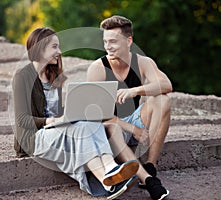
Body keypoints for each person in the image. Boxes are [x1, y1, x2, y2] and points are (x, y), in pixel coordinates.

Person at [12, 27, 140, 200]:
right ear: (40, 48)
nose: (59, 52)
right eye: (54, 47)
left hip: (55, 129)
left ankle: (111, 168)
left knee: (91, 123)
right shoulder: (22, 76)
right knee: (80, 130)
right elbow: (22, 120)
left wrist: (77, 110)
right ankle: (105, 180)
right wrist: (52, 121)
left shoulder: (52, 75)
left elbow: (55, 110)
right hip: (33, 138)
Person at [87, 15, 172, 200]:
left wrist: (135, 91)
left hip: (134, 119)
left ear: (128, 41)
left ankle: (151, 165)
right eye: (105, 42)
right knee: (112, 127)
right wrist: (133, 129)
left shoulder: (142, 62)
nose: (108, 46)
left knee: (163, 100)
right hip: (112, 128)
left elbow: (166, 85)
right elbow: (97, 116)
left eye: (113, 42)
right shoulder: (97, 69)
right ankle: (149, 181)